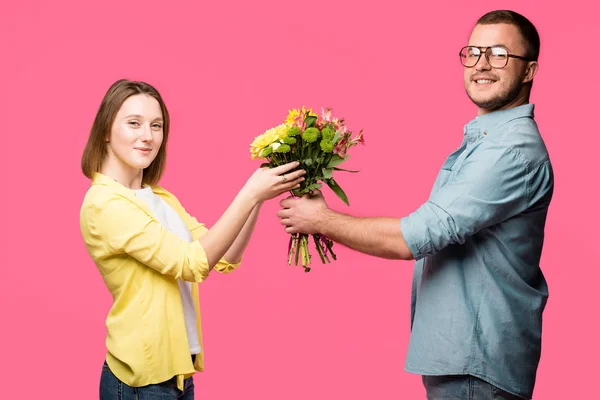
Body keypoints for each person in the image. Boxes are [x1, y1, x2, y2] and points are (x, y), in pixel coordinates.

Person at [277, 10, 553, 400]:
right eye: (473, 52)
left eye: (499, 54)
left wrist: (321, 219)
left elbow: (414, 237)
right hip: (465, 363)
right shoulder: (487, 141)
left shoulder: (509, 150)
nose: (482, 64)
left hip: (476, 366)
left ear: (529, 71)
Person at [79, 79, 305, 399]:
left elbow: (224, 256)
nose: (148, 136)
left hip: (179, 373)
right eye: (134, 123)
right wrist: (249, 192)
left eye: (156, 125)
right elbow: (192, 263)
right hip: (141, 381)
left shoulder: (160, 198)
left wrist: (259, 197)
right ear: (105, 130)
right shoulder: (105, 203)